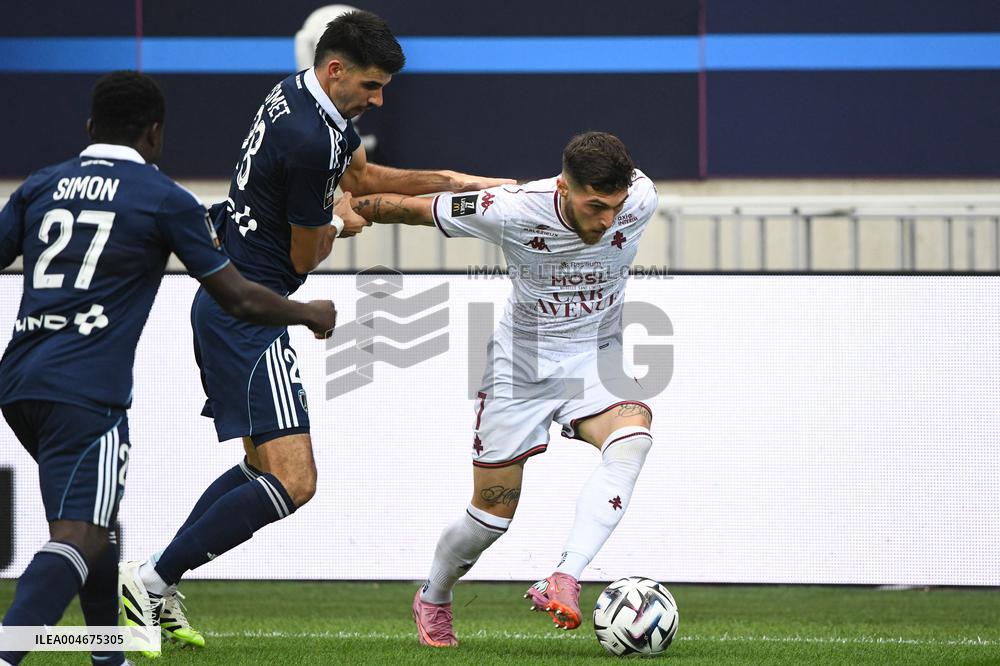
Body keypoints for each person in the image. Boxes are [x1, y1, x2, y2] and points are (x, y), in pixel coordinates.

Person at [118, 10, 513, 651]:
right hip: (253, 309)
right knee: (294, 480)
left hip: (232, 302)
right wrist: (343, 225)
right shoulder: (310, 139)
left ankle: (154, 583)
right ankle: (152, 578)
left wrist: (455, 181)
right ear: (336, 70)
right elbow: (308, 254)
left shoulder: (297, 95)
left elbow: (358, 178)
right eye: (371, 86)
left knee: (259, 468)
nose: (379, 100)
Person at [0, 71, 336, 666]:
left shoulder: (40, 186)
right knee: (77, 536)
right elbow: (238, 296)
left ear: (88, 129)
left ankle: (110, 655)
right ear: (155, 134)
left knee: (96, 530)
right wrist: (307, 310)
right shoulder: (160, 197)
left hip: (19, 381)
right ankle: (8, 649)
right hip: (88, 394)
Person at [350, 131, 659, 646]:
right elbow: (417, 209)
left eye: (616, 207)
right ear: (564, 187)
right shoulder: (511, 208)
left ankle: (565, 577)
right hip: (520, 371)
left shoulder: (642, 196)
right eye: (596, 206)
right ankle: (434, 594)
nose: (607, 221)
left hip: (594, 363)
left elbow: (621, 201)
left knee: (634, 438)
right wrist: (343, 209)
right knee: (491, 517)